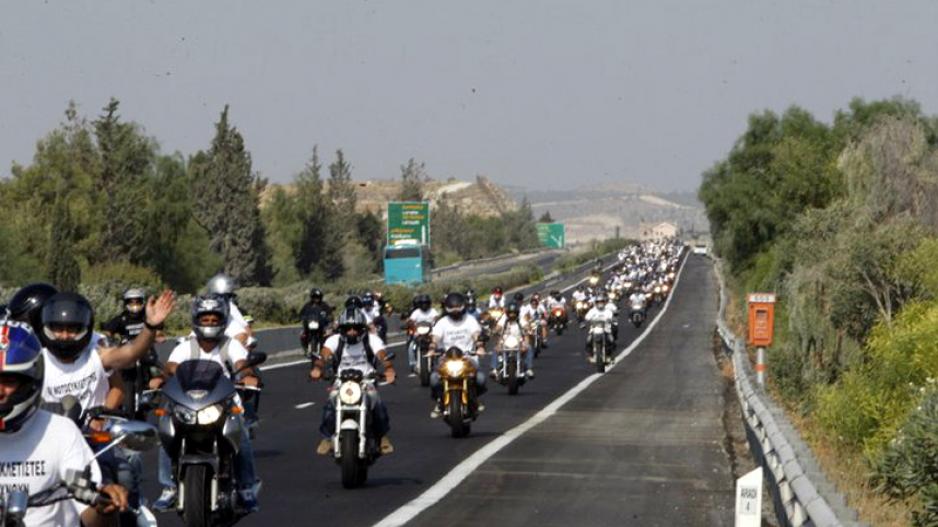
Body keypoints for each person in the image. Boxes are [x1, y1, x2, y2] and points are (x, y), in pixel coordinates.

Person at [0, 320, 130, 527]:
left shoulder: (59, 433)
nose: (0, 391)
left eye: (9, 381)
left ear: (30, 380)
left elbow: (85, 497)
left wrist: (102, 508)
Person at [155, 294, 261, 513]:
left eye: (214, 320)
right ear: (197, 320)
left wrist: (246, 376)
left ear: (222, 321)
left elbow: (243, 364)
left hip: (223, 403)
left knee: (241, 434)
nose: (210, 324)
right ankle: (168, 487)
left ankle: (246, 487)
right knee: (167, 429)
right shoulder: (186, 346)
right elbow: (171, 366)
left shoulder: (230, 345)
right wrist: (162, 377)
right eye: (205, 319)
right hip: (188, 403)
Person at [310, 306, 395, 456]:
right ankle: (327, 438)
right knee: (331, 403)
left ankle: (382, 437)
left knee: (378, 405)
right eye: (348, 328)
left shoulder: (372, 339)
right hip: (341, 381)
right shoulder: (334, 340)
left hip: (366, 381)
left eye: (356, 328)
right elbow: (323, 356)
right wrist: (317, 368)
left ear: (362, 328)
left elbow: (382, 356)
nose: (352, 331)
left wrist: (389, 369)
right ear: (341, 328)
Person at [430, 292, 487, 418]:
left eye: (458, 308)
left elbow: (476, 333)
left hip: (467, 357)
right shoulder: (442, 322)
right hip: (446, 359)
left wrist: (479, 346)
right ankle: (440, 402)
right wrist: (432, 348)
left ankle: (474, 399)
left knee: (480, 379)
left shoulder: (470, 320)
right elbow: (435, 337)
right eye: (452, 309)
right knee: (434, 379)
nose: (455, 312)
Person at [205, 273, 251, 345]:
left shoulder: (231, 307)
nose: (221, 300)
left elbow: (245, 330)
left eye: (226, 297)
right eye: (217, 297)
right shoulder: (204, 307)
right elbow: (195, 333)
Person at [490, 302, 533, 378]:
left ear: (517, 313)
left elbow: (526, 326)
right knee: (496, 349)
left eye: (514, 313)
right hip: (505, 339)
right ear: (507, 313)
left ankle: (528, 369)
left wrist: (528, 329)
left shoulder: (520, 319)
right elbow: (498, 326)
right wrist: (494, 331)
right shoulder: (504, 319)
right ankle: (494, 369)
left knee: (528, 348)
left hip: (519, 339)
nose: (512, 315)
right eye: (510, 313)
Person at [405, 294, 439, 376]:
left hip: (430, 332)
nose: (424, 305)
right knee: (411, 345)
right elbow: (411, 320)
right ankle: (413, 363)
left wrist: (436, 320)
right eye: (423, 303)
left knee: (437, 344)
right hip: (419, 332)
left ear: (429, 303)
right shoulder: (416, 312)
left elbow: (436, 317)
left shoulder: (433, 311)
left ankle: (438, 362)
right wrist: (409, 323)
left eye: (426, 303)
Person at [299, 287, 333, 355]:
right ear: (312, 297)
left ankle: (327, 349)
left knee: (328, 334)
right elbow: (302, 313)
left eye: (318, 297)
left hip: (321, 325)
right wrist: (302, 317)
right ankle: (304, 348)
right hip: (309, 324)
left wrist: (329, 317)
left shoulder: (324, 305)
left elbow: (329, 313)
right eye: (314, 297)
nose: (316, 299)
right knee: (302, 334)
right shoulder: (307, 305)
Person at [584, 294, 617, 362]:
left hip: (606, 329)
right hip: (594, 329)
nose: (600, 304)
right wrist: (588, 320)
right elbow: (587, 317)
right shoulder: (592, 311)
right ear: (596, 303)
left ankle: (609, 355)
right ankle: (590, 355)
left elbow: (611, 317)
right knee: (588, 341)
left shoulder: (607, 311)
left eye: (601, 302)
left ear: (604, 303)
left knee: (612, 341)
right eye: (598, 302)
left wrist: (611, 320)